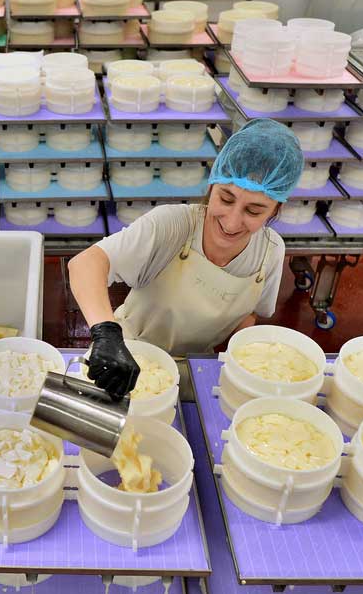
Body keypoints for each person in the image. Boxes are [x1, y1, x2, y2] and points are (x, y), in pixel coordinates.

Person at [68, 119, 304, 398]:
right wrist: (106, 333)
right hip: (126, 360)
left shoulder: (270, 251)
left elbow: (249, 313)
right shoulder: (173, 225)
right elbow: (85, 264)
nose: (231, 223)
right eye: (225, 200)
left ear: (276, 209)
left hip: (195, 373)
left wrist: (232, 368)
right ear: (211, 186)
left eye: (253, 211)